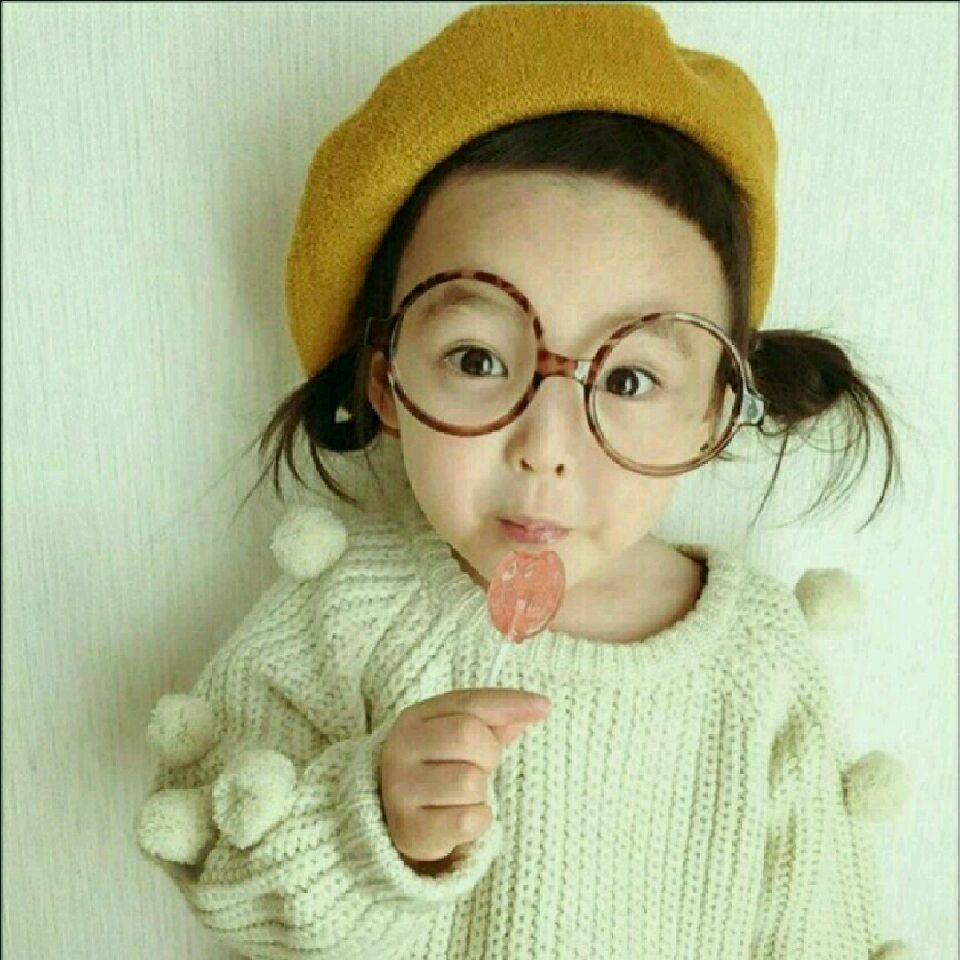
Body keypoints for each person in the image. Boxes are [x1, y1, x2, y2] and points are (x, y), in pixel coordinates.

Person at [135, 5, 914, 958]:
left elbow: (818, 924)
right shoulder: (345, 616)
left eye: (628, 380)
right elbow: (220, 858)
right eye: (477, 359)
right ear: (386, 381)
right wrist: (370, 821)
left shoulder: (757, 660)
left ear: (713, 413)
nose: (546, 445)